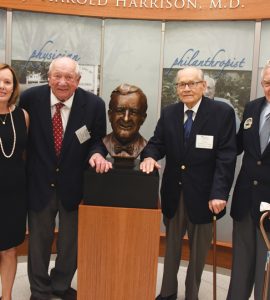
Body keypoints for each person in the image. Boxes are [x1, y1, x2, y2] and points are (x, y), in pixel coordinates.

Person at [140, 66, 237, 300]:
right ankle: (167, 293)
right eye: (182, 84)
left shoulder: (221, 113)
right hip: (174, 192)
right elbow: (156, 143)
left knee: (198, 253)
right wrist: (150, 156)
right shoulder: (170, 112)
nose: (187, 88)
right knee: (171, 248)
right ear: (177, 89)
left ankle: (191, 294)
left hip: (206, 197)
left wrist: (220, 193)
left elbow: (226, 156)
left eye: (192, 83)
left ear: (203, 86)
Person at [19, 57, 111, 300]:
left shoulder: (93, 105)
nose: (62, 82)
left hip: (74, 185)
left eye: (69, 77)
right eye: (57, 76)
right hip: (38, 183)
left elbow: (97, 141)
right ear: (48, 78)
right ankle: (39, 290)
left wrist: (97, 155)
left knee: (70, 243)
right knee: (39, 241)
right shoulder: (30, 99)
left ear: (78, 80)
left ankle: (60, 284)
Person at [227, 61, 270, 300]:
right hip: (245, 201)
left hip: (269, 209)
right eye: (266, 82)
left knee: (267, 276)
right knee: (241, 268)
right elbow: (236, 146)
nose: (269, 88)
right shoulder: (252, 108)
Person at [0, 63, 29, 300]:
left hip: (14, 196)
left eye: (7, 82)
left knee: (9, 249)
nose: (2, 86)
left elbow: (24, 155)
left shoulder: (22, 116)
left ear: (14, 87)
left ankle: (6, 296)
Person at [103, 83, 147, 159]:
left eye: (134, 112)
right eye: (120, 111)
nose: (126, 119)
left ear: (143, 118)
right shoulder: (101, 144)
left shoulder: (148, 147)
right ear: (110, 115)